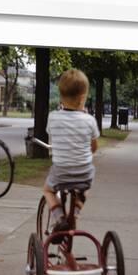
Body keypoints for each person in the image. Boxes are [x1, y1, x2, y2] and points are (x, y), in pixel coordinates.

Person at [44, 69, 99, 231]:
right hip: (84, 172)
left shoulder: (53, 117)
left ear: (61, 96)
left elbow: (53, 138)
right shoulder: (89, 120)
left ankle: (60, 218)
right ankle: (75, 214)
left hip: (61, 172)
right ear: (83, 98)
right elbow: (94, 147)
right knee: (85, 187)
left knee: (48, 190)